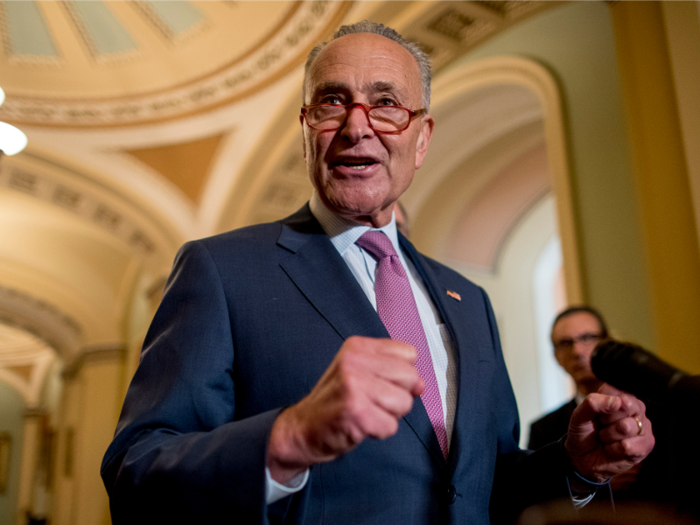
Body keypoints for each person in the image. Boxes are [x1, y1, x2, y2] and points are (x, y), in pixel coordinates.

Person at [101, 22, 654, 525]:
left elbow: (483, 484)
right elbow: (136, 469)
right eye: (331, 102)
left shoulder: (470, 301)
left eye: (386, 103)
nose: (355, 126)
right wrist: (286, 439)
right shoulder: (222, 270)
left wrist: (576, 466)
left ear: (422, 138)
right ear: (306, 129)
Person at [528, 306, 608, 450]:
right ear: (556, 357)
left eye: (587, 338)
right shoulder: (543, 430)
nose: (577, 351)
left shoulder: (649, 407)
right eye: (565, 343)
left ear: (607, 343)